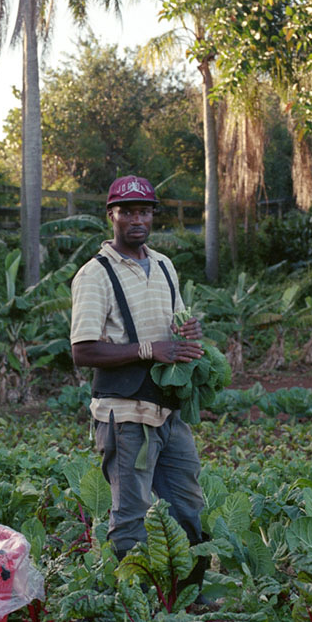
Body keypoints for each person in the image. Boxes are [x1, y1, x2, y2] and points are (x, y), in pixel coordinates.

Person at [70, 175, 209, 583]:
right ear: (111, 215)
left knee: (187, 504)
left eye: (144, 211)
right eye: (127, 211)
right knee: (131, 514)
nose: (137, 219)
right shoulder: (94, 274)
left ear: (152, 216)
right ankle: (133, 604)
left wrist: (186, 332)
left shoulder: (165, 265)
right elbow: (83, 351)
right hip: (124, 415)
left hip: (167, 410)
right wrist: (149, 349)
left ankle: (189, 594)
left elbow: (174, 324)